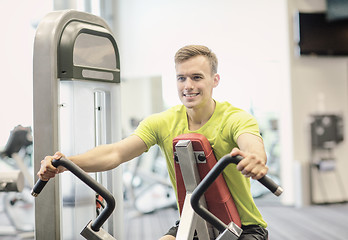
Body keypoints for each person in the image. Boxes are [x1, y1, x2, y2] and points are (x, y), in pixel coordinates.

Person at [38, 45, 269, 239]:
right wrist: (66, 163)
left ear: (215, 80)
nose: (188, 85)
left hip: (244, 227)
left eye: (197, 77)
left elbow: (251, 144)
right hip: (193, 218)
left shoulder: (235, 118)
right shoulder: (163, 122)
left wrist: (254, 158)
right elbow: (116, 153)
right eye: (181, 78)